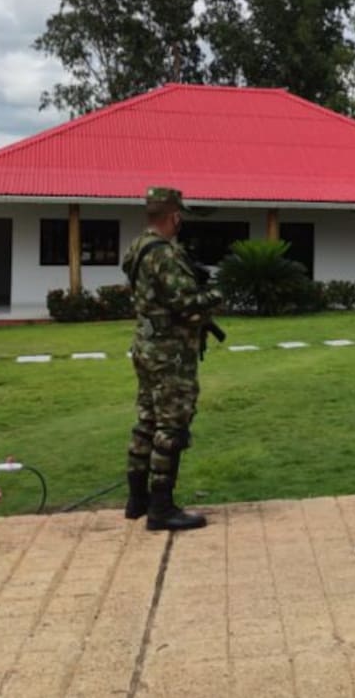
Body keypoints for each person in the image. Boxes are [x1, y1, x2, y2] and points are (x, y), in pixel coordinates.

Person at [122, 186, 223, 531]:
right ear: (175, 216)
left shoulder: (137, 248)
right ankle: (161, 508)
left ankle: (137, 499)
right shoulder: (164, 254)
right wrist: (217, 293)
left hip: (146, 345)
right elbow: (186, 302)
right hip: (170, 353)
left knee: (147, 419)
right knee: (171, 425)